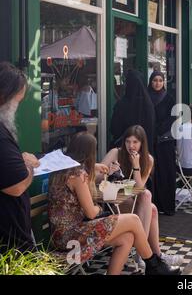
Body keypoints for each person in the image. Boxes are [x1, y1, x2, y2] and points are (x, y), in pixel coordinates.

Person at [48, 132, 180, 275]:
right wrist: (99, 209)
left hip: (63, 233)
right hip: (71, 236)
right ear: (89, 152)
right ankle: (154, 266)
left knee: (127, 237)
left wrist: (94, 167)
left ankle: (153, 266)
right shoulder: (78, 175)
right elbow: (91, 212)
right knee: (134, 219)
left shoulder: (62, 170)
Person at [100, 125, 183, 268]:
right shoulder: (116, 152)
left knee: (150, 204)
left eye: (135, 142)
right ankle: (148, 254)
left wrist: (136, 165)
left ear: (142, 143)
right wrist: (107, 172)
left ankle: (151, 254)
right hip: (114, 203)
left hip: (133, 202)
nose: (131, 146)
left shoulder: (148, 159)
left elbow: (139, 187)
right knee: (149, 201)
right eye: (128, 142)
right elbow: (96, 177)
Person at [0, 62, 40, 253]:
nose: (16, 108)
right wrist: (29, 166)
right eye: (17, 101)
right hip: (9, 244)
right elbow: (16, 186)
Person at [148, 71, 177, 215]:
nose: (157, 83)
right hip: (150, 141)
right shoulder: (146, 97)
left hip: (165, 141)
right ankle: (155, 205)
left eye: (160, 80)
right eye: (154, 80)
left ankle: (168, 206)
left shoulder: (169, 99)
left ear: (164, 82)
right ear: (150, 82)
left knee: (166, 172)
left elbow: (173, 117)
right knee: (153, 173)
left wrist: (158, 130)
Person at [110, 69, 155, 153]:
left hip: (125, 149)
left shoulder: (122, 104)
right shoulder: (148, 104)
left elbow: (114, 128)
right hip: (144, 150)